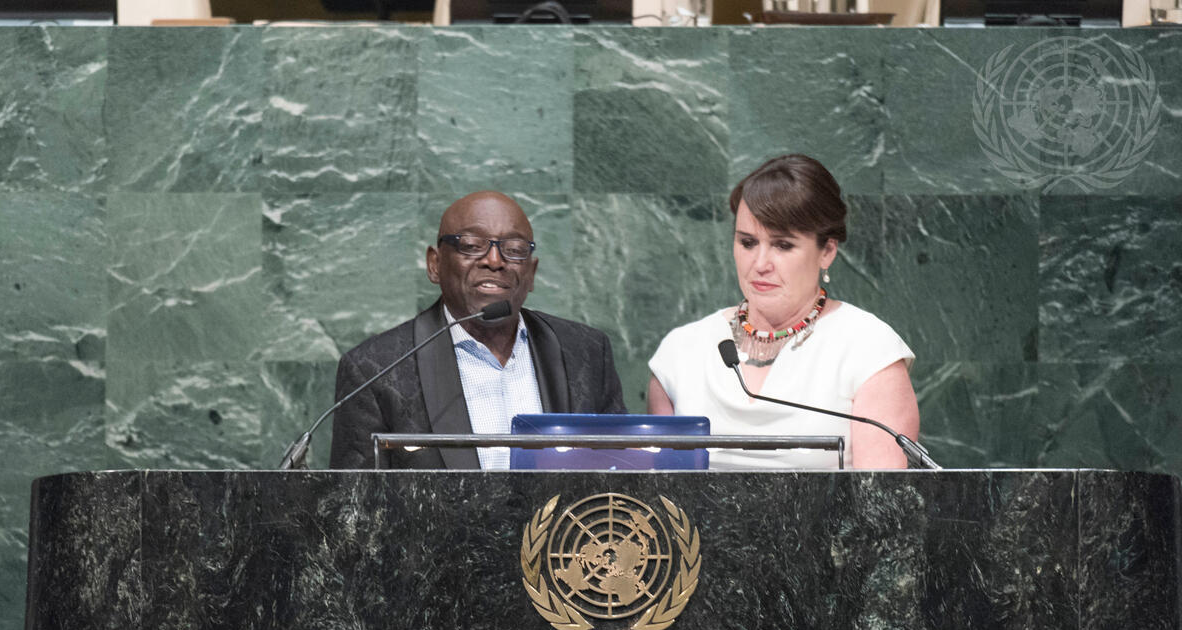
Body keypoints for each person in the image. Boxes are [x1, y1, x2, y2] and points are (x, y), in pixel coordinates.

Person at [647, 154, 919, 469]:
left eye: (783, 245)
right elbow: (655, 491)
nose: (760, 264)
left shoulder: (869, 349)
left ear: (827, 251)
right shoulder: (680, 352)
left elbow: (881, 498)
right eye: (748, 243)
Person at [329, 191, 626, 469]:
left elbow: (620, 472)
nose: (494, 261)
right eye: (471, 246)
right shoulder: (376, 370)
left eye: (514, 250)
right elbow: (354, 500)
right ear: (435, 264)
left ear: (531, 273)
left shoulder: (585, 352)